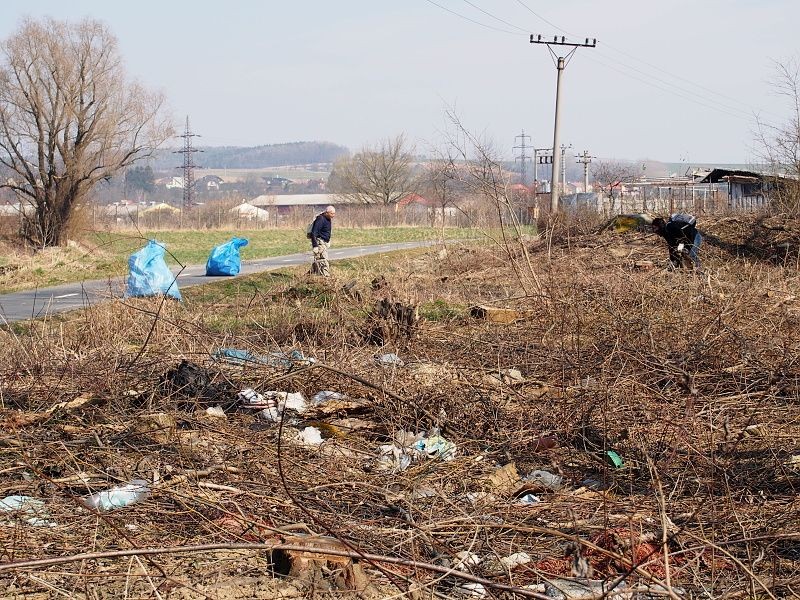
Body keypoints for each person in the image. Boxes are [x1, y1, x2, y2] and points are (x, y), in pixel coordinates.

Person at [310, 205, 335, 276]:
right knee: (323, 259)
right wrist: (315, 246)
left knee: (318, 260)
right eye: (332, 213)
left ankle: (310, 274)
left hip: (324, 242)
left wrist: (328, 240)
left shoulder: (328, 219)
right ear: (327, 212)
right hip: (319, 242)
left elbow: (326, 231)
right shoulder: (320, 219)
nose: (333, 215)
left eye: (334, 214)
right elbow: (313, 233)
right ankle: (326, 276)